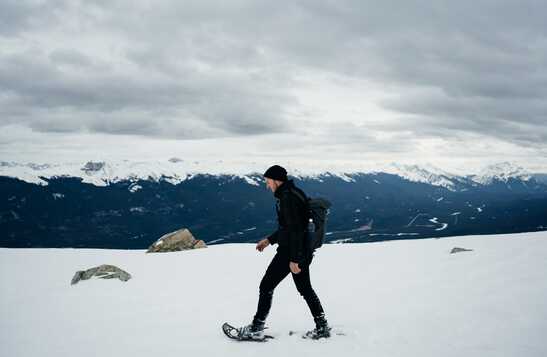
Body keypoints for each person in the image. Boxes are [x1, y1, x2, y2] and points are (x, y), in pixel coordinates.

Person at [237, 164, 331, 340]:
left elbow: (295, 230)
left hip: (291, 253)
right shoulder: (293, 193)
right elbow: (289, 228)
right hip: (302, 250)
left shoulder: (288, 198)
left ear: (276, 180)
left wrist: (295, 259)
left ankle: (256, 327)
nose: (267, 185)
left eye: (268, 182)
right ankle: (322, 326)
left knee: (266, 286)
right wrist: (269, 240)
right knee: (305, 289)